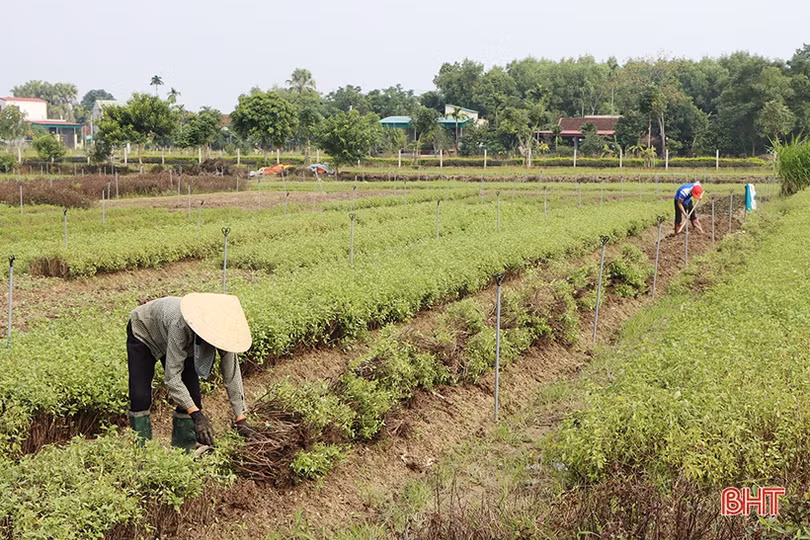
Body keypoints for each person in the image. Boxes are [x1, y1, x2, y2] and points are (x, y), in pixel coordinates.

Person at [126, 293, 257, 450]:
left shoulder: (224, 334)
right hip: (144, 331)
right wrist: (197, 416)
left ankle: (184, 449)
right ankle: (141, 450)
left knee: (192, 396)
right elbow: (172, 378)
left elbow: (232, 374)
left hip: (176, 338)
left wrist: (240, 418)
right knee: (140, 396)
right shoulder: (181, 325)